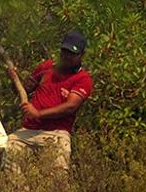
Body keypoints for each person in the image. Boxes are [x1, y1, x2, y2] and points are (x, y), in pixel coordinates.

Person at [5, 30, 93, 171]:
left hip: (57, 133)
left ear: (82, 55)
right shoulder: (46, 67)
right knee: (9, 151)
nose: (67, 56)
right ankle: (18, 191)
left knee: (56, 179)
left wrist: (38, 113)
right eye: (65, 52)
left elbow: (70, 106)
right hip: (29, 129)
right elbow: (23, 90)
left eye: (72, 53)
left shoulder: (83, 79)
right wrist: (14, 79)